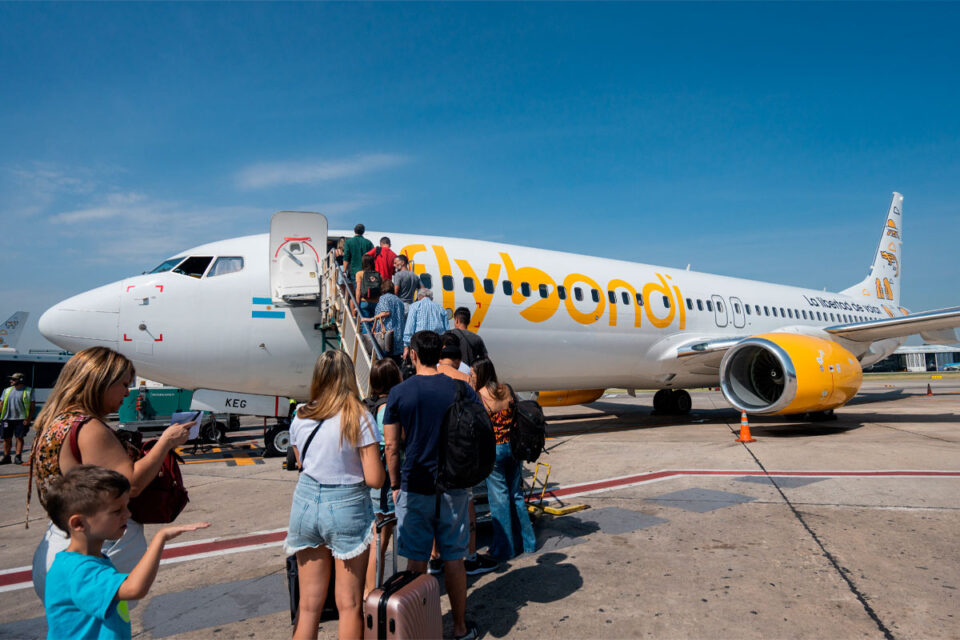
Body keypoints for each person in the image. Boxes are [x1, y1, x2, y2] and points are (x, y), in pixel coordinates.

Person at [29, 347, 194, 600]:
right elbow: (130, 485)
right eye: (124, 384)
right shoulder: (88, 427)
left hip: (64, 542)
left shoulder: (56, 422)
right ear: (100, 381)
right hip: (97, 551)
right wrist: (165, 442)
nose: (127, 393)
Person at [383, 331, 482, 640]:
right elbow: (479, 428)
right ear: (440, 352)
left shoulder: (400, 392)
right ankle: (460, 627)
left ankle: (419, 629)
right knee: (454, 559)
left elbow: (390, 446)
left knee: (417, 561)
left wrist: (396, 483)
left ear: (412, 354)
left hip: (415, 485)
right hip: (452, 485)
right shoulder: (460, 388)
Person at [283, 350, 385, 640]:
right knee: (350, 605)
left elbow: (301, 462)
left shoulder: (301, 415)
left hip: (305, 502)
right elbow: (375, 479)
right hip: (346, 505)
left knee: (308, 606)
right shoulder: (359, 416)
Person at [42, 465, 209, 640]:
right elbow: (134, 589)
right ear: (78, 524)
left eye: (126, 507)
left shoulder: (87, 560)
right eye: (117, 511)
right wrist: (160, 538)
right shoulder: (79, 570)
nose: (128, 514)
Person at [435, 333, 498, 577]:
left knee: (435, 510)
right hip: (458, 457)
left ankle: (433, 558)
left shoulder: (423, 377)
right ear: (459, 357)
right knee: (466, 506)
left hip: (433, 459)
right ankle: (470, 557)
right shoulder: (465, 381)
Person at [473, 358, 536, 561]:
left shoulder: (480, 396)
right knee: (516, 495)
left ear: (481, 374)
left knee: (499, 499)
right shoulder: (506, 389)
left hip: (495, 450)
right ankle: (529, 542)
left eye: (474, 374)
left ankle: (505, 548)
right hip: (513, 447)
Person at [362, 358, 403, 597]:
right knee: (380, 537)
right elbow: (390, 446)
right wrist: (396, 483)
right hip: (386, 480)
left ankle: (370, 588)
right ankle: (371, 592)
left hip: (370, 478)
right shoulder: (387, 408)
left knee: (379, 536)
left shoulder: (368, 405)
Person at [360, 279, 406, 364]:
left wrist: (370, 319)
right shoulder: (399, 301)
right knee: (395, 363)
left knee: (384, 362)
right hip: (398, 337)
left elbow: (386, 312)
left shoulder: (384, 298)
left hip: (386, 336)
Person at [401, 289, 448, 360]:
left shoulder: (415, 306)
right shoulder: (441, 308)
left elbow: (409, 328)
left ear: (419, 297)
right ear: (431, 298)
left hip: (420, 344)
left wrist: (406, 346)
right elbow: (447, 331)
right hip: (436, 344)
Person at [2, 372, 35, 465]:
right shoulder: (6, 390)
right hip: (7, 418)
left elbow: (32, 407)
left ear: (20, 380)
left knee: (19, 437)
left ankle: (18, 457)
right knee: (6, 438)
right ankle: (6, 457)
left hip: (21, 419)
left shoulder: (28, 391)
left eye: (13, 379)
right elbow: (1, 404)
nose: (11, 381)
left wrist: (28, 419)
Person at [355, 253, 382, 323]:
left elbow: (358, 290)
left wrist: (357, 304)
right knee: (375, 323)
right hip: (376, 302)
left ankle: (367, 334)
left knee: (365, 324)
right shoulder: (378, 274)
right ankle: (373, 334)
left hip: (364, 301)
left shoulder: (360, 274)